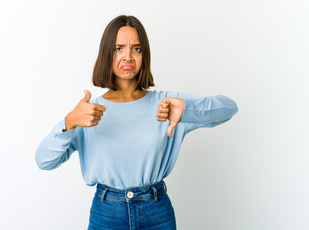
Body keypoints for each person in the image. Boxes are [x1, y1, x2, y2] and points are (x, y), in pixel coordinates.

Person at [35, 15, 238, 230]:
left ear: (145, 55)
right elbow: (44, 161)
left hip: (157, 213)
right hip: (107, 215)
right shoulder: (88, 112)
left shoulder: (167, 105)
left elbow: (229, 108)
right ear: (106, 54)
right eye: (118, 48)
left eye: (137, 49)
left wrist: (188, 110)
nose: (128, 56)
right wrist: (70, 122)